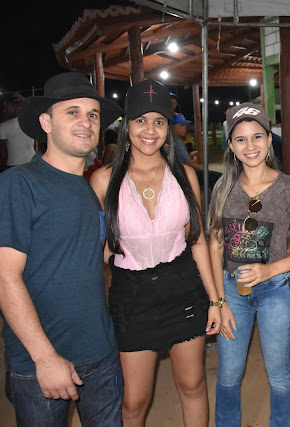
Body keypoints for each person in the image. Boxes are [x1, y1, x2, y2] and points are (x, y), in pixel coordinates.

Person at [90, 79, 223, 427]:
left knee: (192, 385)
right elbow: (94, 248)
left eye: (159, 121)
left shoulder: (185, 176)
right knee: (134, 401)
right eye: (141, 120)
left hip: (184, 289)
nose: (150, 130)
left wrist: (215, 300)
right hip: (132, 296)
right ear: (127, 125)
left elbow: (197, 241)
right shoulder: (104, 180)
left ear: (168, 127)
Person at [0, 72, 124, 426]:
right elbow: (5, 277)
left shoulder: (88, 189)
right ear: (46, 123)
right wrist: (44, 357)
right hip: (42, 362)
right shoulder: (18, 183)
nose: (86, 122)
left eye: (93, 115)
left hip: (101, 353)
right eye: (73, 112)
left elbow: (92, 258)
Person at [208, 103, 290, 426]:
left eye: (257, 136)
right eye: (241, 139)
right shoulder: (223, 187)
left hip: (275, 289)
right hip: (232, 291)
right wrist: (218, 301)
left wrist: (271, 269)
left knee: (278, 373)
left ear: (269, 139)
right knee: (229, 374)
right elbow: (215, 245)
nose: (250, 146)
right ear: (231, 146)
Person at [0, 93, 35, 171]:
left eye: (6, 108)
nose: (4, 110)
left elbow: (3, 151)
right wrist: (23, 99)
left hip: (13, 164)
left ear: (14, 109)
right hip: (31, 160)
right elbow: (34, 108)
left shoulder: (3, 126)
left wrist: (3, 163)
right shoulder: (29, 121)